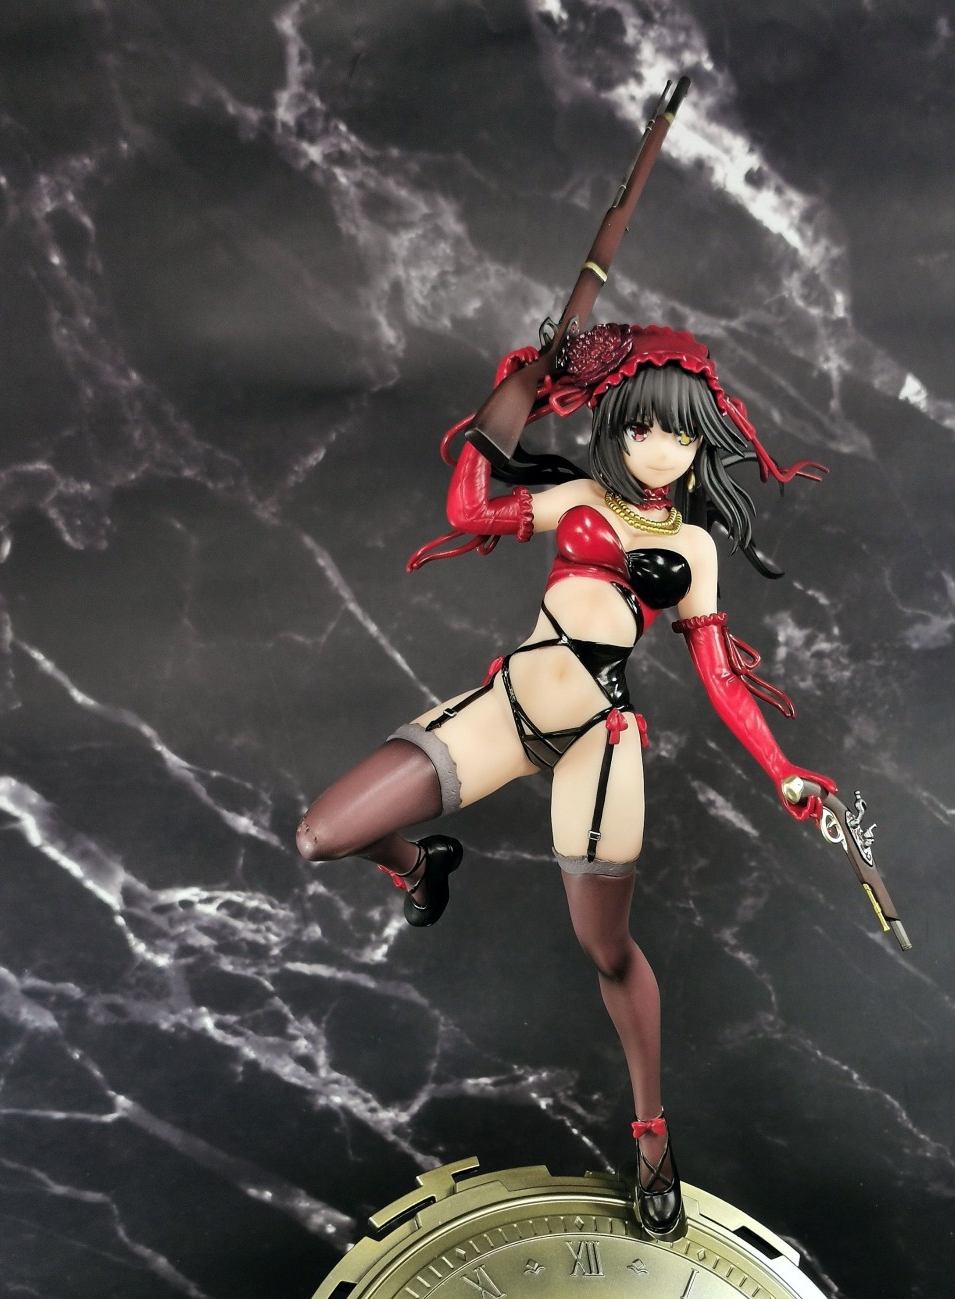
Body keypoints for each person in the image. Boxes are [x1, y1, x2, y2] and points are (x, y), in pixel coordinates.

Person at [295, 323, 837, 1239]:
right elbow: (470, 510)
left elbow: (719, 675)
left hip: (600, 740)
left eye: (680, 434)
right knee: (324, 833)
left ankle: (653, 1134)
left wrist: (781, 769)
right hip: (508, 708)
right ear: (615, 426)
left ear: (702, 439)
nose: (659, 449)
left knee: (607, 949)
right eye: (642, 429)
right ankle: (420, 865)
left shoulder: (694, 547)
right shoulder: (581, 496)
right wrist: (522, 383)